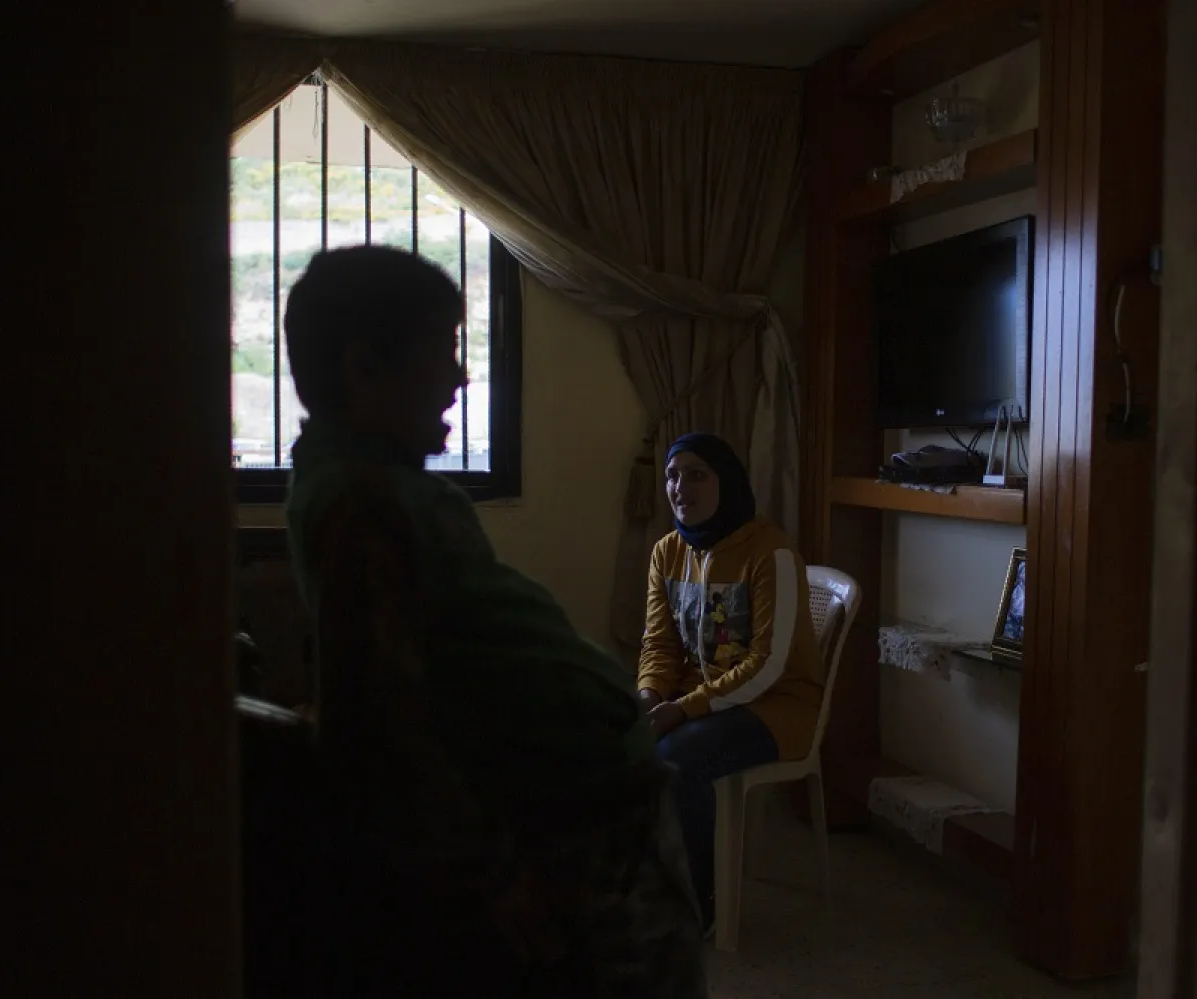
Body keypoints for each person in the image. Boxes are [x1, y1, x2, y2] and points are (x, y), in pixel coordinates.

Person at [280, 246, 706, 997]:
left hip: (596, 809)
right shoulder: (359, 503)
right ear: (362, 369)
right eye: (442, 353)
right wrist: (492, 873)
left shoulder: (380, 487)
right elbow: (378, 724)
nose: (460, 376)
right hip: (575, 828)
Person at [637, 433, 825, 932]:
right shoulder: (667, 552)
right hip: (700, 700)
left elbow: (769, 664)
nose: (681, 487)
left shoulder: (771, 553)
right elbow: (659, 645)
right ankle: (641, 885)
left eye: (697, 474)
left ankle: (695, 903)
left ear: (728, 482)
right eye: (673, 476)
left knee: (676, 757)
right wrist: (649, 698)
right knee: (612, 734)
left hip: (776, 707)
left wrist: (682, 709)